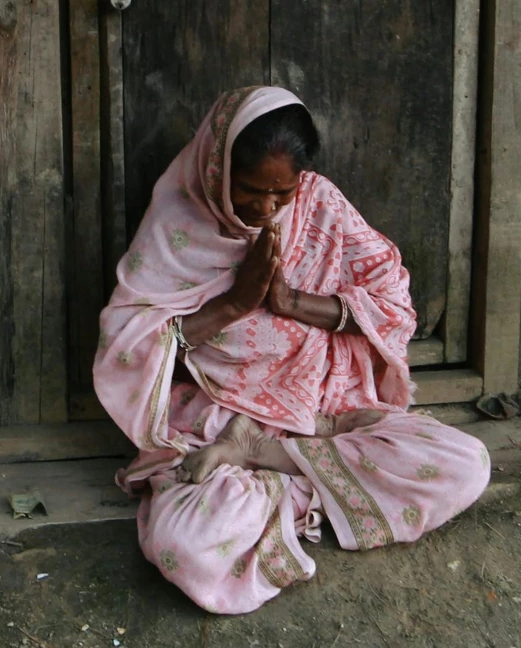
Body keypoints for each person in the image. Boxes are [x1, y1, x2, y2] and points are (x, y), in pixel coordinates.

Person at [94, 85, 490, 613]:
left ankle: (272, 467)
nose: (266, 208)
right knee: (182, 546)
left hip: (327, 416)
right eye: (250, 190)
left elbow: (392, 301)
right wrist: (236, 303)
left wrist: (293, 301)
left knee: (467, 462)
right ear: (216, 169)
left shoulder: (319, 204)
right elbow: (130, 347)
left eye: (282, 194)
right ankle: (310, 485)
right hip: (220, 420)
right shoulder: (178, 224)